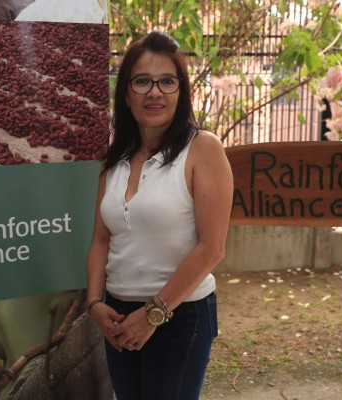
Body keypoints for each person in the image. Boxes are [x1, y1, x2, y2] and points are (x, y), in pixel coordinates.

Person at [86, 31, 234, 400]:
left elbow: (212, 247)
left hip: (180, 314)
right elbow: (101, 240)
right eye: (142, 81)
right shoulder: (115, 160)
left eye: (167, 81)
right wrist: (94, 304)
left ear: (181, 91)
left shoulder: (203, 149)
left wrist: (153, 313)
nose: (155, 92)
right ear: (126, 92)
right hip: (117, 314)